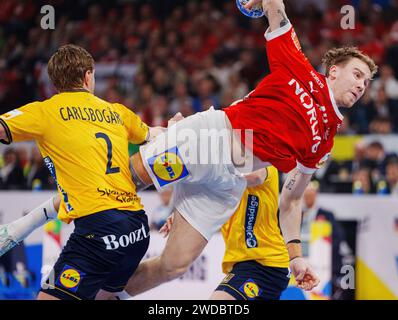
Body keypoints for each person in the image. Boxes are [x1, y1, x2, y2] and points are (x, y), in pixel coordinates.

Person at [1, 0, 377, 298]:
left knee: (174, 264)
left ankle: (100, 296)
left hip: (227, 180)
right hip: (207, 140)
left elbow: (292, 200)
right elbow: (275, 8)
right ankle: (26, 224)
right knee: (121, 182)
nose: (362, 85)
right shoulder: (300, 70)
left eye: (368, 81)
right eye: (357, 75)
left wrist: (295, 257)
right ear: (333, 71)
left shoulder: (324, 140)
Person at [0, 44, 165, 300]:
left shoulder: (44, 112)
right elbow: (154, 135)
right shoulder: (117, 111)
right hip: (137, 229)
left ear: (55, 82)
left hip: (98, 232)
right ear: (88, 76)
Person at [212, 166, 290, 300]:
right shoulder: (225, 178)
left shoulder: (266, 163)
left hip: (266, 263)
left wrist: (211, 178)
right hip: (244, 261)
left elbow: (256, 177)